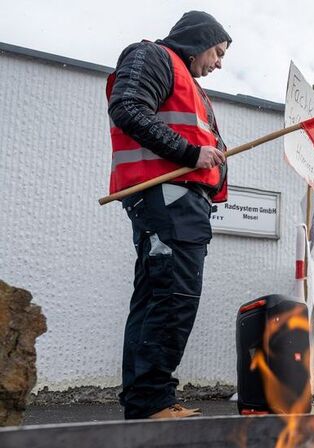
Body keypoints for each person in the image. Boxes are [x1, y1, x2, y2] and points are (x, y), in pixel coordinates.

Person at [107, 11, 232, 419]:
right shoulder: (155, 58)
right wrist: (190, 154)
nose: (219, 63)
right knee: (174, 298)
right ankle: (151, 403)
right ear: (198, 41)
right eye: (217, 51)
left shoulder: (188, 84)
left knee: (155, 298)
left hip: (173, 200)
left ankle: (145, 402)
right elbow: (126, 107)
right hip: (167, 198)